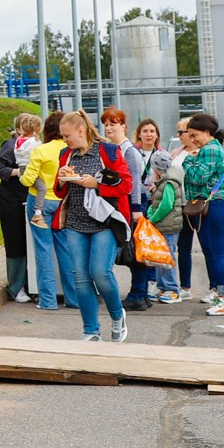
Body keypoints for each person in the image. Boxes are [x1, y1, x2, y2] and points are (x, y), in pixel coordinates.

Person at [49, 111, 128, 341]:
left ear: (81, 131)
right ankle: (91, 331)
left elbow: (126, 184)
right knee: (80, 278)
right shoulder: (66, 155)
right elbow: (59, 190)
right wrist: (62, 179)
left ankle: (117, 315)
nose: (65, 140)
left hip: (104, 221)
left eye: (67, 136)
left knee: (100, 272)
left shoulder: (108, 151)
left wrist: (97, 185)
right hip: (75, 222)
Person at [179, 114, 224, 316]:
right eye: (190, 136)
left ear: (207, 132)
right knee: (217, 253)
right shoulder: (214, 149)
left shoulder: (209, 150)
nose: (192, 140)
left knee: (216, 254)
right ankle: (222, 295)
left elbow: (197, 178)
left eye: (195, 135)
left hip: (219, 205)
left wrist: (187, 161)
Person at [19, 111, 71, 310]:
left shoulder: (41, 150)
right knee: (65, 249)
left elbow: (27, 180)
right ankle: (73, 298)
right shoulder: (70, 148)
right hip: (63, 201)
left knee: (43, 250)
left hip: (39, 204)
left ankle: (48, 300)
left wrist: (22, 174)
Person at [98, 109, 149, 309]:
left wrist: (136, 209)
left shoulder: (129, 151)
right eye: (107, 124)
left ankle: (138, 294)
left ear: (123, 126)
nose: (109, 128)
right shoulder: (118, 148)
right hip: (126, 204)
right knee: (134, 251)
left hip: (133, 205)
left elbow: (136, 182)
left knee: (134, 252)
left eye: (113, 123)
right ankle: (140, 293)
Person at [133, 118, 183, 303]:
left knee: (163, 249)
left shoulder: (162, 157)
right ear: (139, 134)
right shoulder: (134, 152)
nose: (148, 134)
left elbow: (167, 203)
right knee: (148, 245)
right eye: (145, 131)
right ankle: (157, 284)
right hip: (142, 199)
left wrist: (153, 217)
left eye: (152, 131)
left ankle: (166, 286)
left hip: (157, 206)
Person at [0, 114, 39, 304]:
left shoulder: (36, 145)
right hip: (9, 200)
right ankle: (16, 286)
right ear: (18, 129)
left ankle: (30, 284)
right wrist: (19, 172)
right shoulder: (11, 146)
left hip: (27, 199)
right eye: (28, 128)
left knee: (29, 244)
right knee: (15, 243)